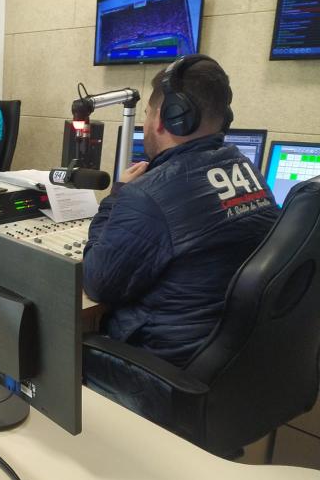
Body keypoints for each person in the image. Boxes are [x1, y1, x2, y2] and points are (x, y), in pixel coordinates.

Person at [82, 55, 279, 368]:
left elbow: (96, 281)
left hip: (164, 365)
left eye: (147, 112)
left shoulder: (147, 196)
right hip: (237, 364)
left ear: (166, 117)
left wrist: (117, 196)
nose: (146, 121)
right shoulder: (248, 171)